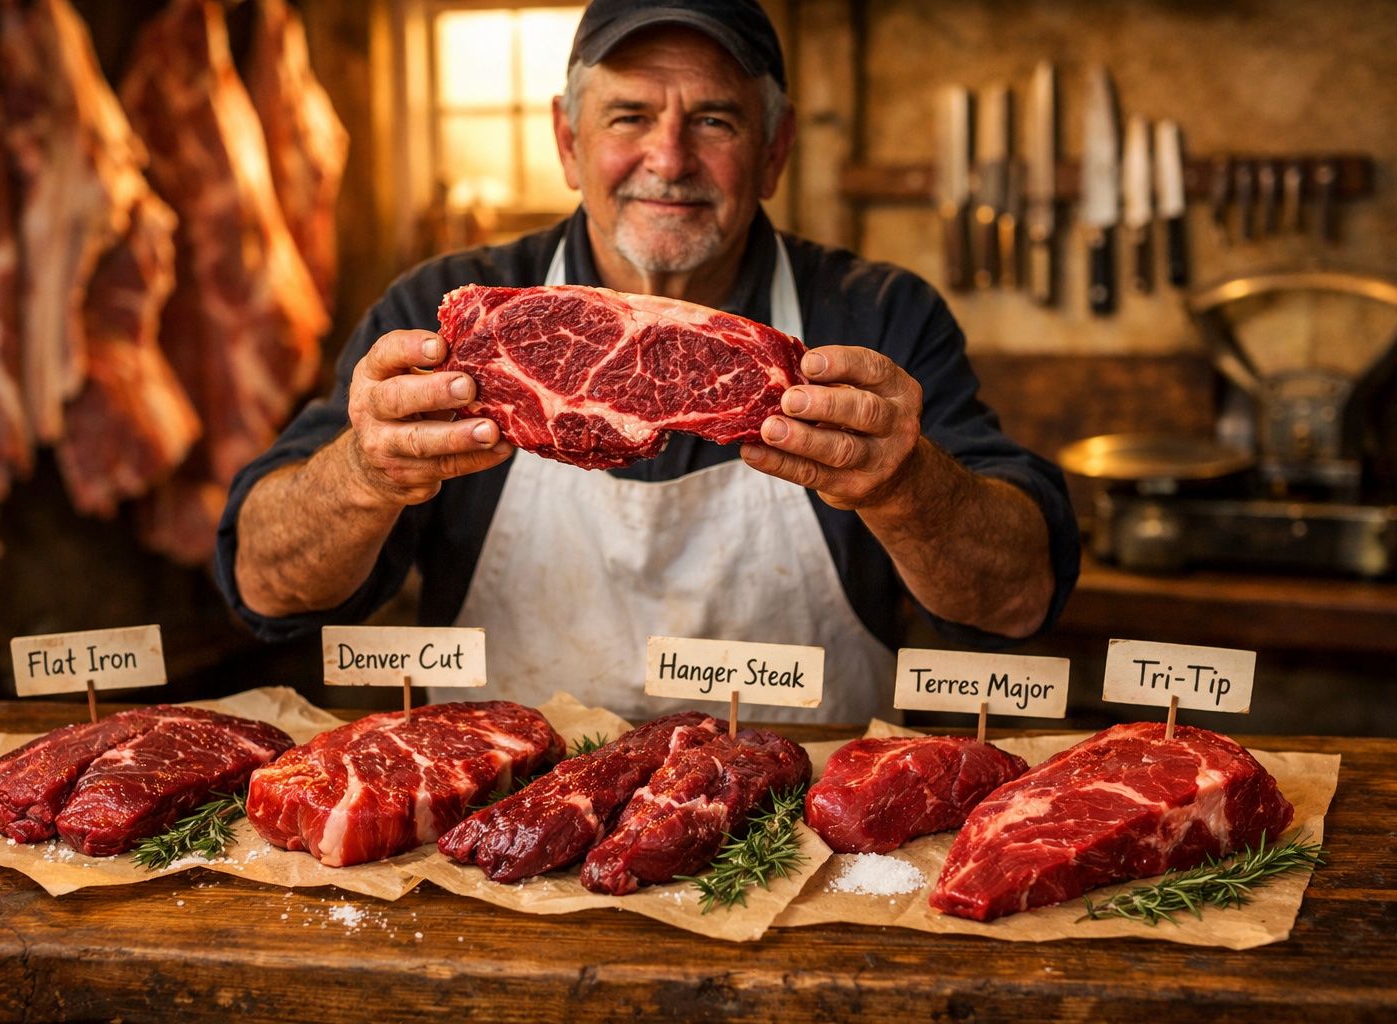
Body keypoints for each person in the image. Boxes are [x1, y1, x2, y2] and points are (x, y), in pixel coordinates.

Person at [216, 0, 1081, 722]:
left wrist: (907, 486)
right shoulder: (453, 315)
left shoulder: (874, 317)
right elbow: (266, 582)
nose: (668, 161)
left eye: (714, 120)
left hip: (800, 827)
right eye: (629, 116)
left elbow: (1018, 598)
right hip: (508, 812)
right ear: (567, 141)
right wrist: (363, 476)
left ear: (774, 153)